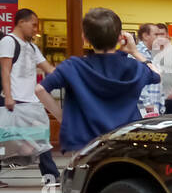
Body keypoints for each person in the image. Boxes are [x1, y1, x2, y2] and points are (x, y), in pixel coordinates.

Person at [33, 8, 159, 155]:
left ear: (85, 38)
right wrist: (134, 52)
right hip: (126, 140)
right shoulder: (133, 67)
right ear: (120, 38)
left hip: (86, 143)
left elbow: (40, 90)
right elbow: (156, 74)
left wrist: (63, 118)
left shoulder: (73, 66)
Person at [0, 8, 59, 187]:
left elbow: (48, 69)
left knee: (41, 139)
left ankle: (51, 175)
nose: (36, 30)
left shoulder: (32, 47)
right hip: (15, 101)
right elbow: (5, 70)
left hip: (31, 102)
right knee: (4, 140)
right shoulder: (8, 42)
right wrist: (9, 96)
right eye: (33, 25)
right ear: (21, 22)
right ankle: (51, 176)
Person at [134, 23, 165, 117]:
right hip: (144, 109)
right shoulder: (136, 54)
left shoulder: (154, 53)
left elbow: (159, 81)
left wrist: (161, 103)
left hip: (154, 107)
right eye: (156, 34)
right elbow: (137, 83)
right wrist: (148, 106)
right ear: (145, 36)